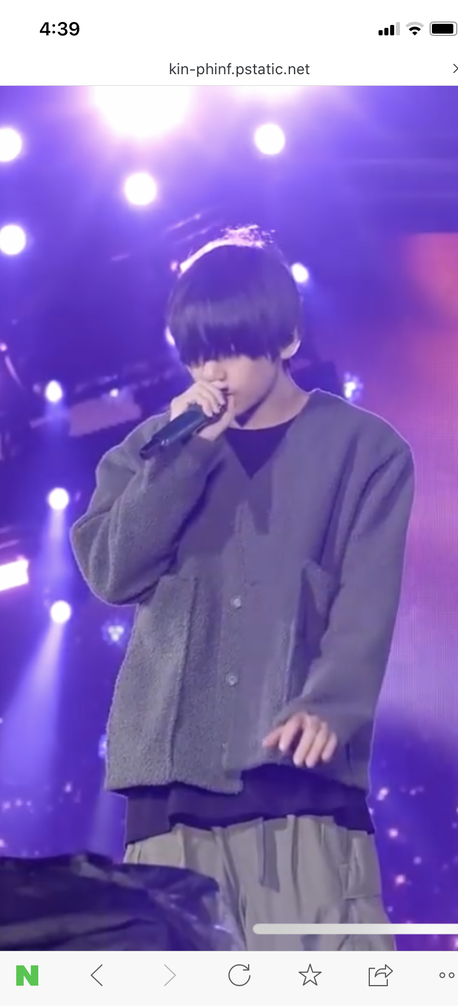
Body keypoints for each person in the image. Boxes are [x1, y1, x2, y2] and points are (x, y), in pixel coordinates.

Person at [70, 227, 415, 952]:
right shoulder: (150, 450)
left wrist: (333, 701)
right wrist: (182, 458)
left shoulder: (366, 450)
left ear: (286, 338)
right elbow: (110, 571)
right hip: (170, 800)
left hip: (299, 786)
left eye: (228, 349)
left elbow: (367, 594)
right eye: (197, 353)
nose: (211, 372)